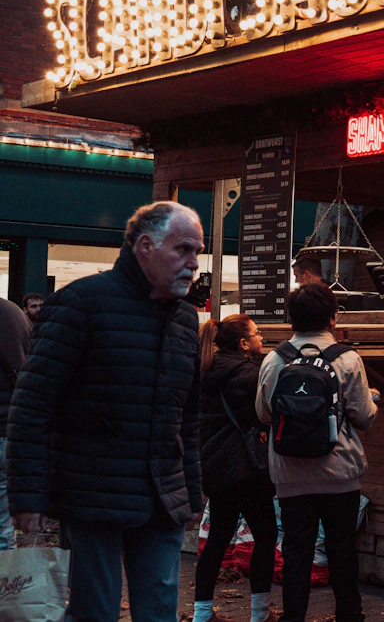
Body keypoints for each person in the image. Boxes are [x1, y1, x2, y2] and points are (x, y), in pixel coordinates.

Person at [7, 201, 205, 622]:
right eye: (184, 250)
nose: (194, 263)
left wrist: (192, 493)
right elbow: (34, 403)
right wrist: (28, 495)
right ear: (146, 246)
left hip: (161, 496)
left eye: (198, 252)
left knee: (159, 609)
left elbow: (186, 417)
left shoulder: (187, 321)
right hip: (91, 492)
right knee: (94, 609)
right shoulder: (81, 304)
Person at [256, 283, 378, 622]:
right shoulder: (348, 359)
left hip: (290, 475)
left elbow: (264, 414)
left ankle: (293, 617)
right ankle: (349, 615)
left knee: (296, 550)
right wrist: (373, 398)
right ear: (333, 317)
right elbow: (364, 416)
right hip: (340, 474)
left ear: (291, 318)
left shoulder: (274, 359)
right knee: (341, 550)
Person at [195, 315, 278, 622]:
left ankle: (203, 614)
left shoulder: (207, 369)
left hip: (216, 468)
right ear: (244, 343)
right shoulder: (249, 374)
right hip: (247, 469)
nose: (261, 338)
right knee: (266, 537)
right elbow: (267, 411)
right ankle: (259, 613)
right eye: (257, 334)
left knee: (216, 540)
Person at [0, 297, 31, 551]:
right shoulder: (12, 313)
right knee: (3, 524)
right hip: (6, 427)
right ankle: (5, 586)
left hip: (5, 427)